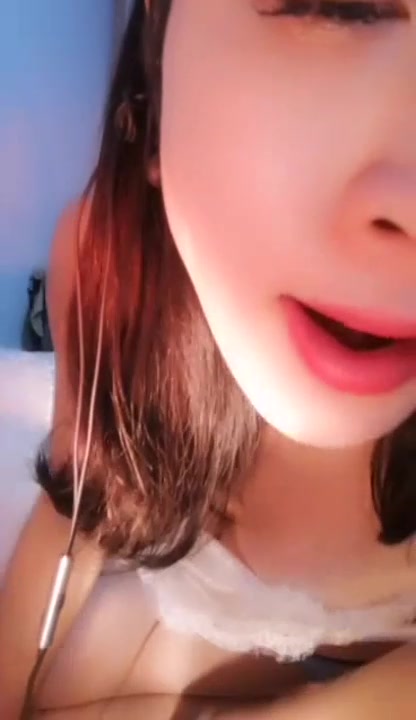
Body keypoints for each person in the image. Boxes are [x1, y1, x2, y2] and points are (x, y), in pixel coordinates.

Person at [1, 0, 416, 717]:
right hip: (190, 613)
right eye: (339, 4)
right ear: (157, 70)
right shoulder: (106, 267)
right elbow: (80, 491)